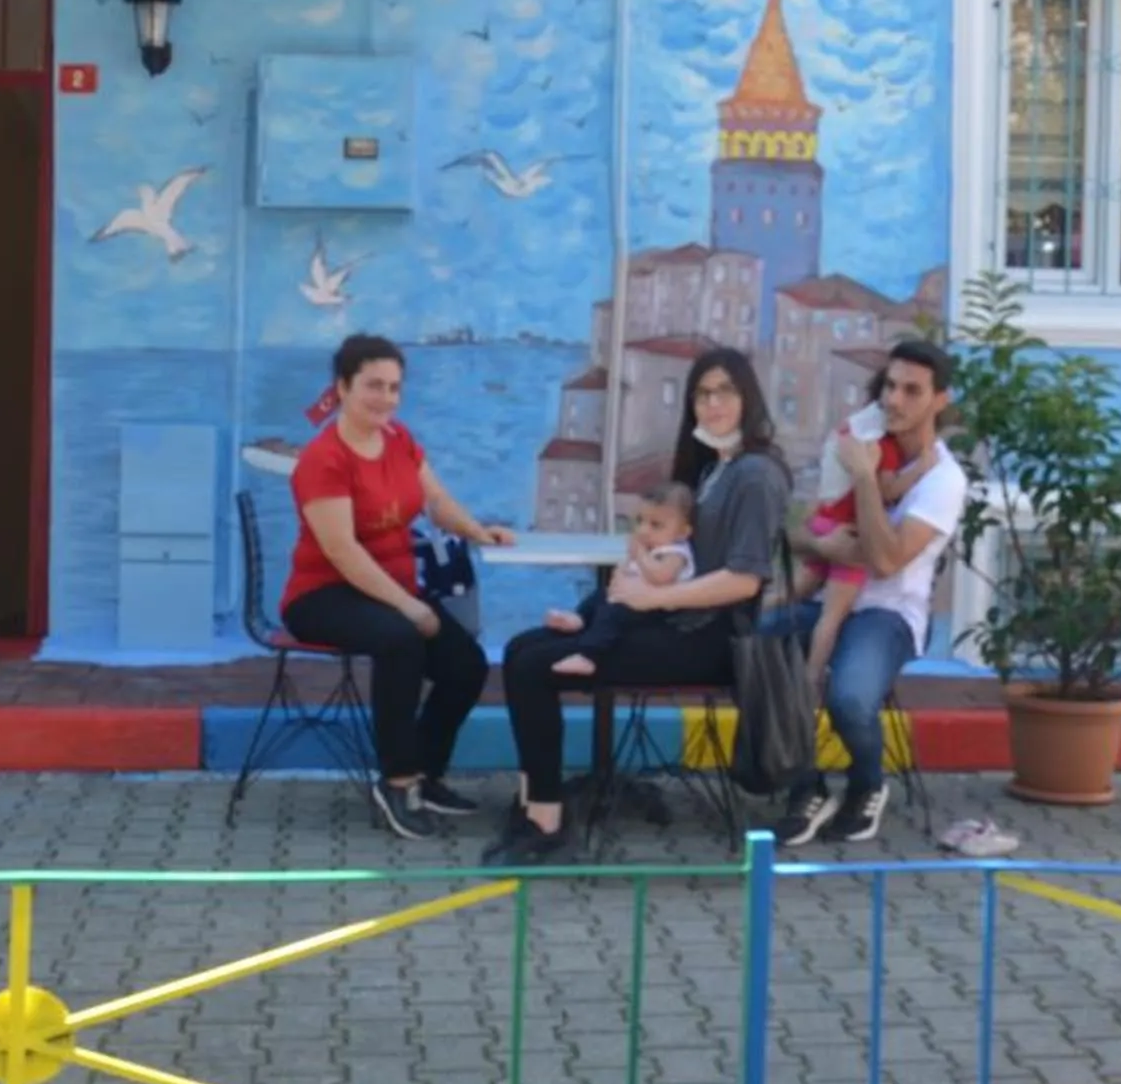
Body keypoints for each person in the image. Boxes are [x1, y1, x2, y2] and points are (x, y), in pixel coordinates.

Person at [487, 348, 790, 866]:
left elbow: (744, 579)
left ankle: (548, 823)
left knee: (538, 665)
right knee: (520, 651)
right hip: (672, 623)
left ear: (748, 397)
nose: (712, 404)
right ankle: (536, 800)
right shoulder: (713, 469)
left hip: (710, 640)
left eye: (725, 392)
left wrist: (654, 596)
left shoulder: (756, 475)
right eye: (702, 394)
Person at [280, 332, 517, 840]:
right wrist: (410, 607)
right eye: (373, 386)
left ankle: (427, 773)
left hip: (391, 587)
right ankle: (396, 781)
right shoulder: (324, 459)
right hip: (323, 594)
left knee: (466, 665)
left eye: (394, 387)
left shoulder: (400, 439)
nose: (385, 398)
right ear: (342, 387)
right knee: (401, 640)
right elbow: (342, 551)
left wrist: (478, 530)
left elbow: (436, 501)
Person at [757, 338, 966, 848]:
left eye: (912, 391)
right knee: (759, 646)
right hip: (829, 594)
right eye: (890, 386)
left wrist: (865, 477)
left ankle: (868, 785)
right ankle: (805, 788)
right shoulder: (865, 438)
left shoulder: (943, 480)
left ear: (940, 400)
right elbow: (802, 529)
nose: (894, 400)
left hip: (889, 614)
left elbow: (887, 560)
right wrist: (824, 541)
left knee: (850, 699)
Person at [793, 383, 939, 637]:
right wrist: (920, 469)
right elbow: (887, 490)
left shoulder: (850, 434)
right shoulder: (882, 446)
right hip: (849, 532)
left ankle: (749, 613)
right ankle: (813, 675)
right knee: (831, 619)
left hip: (825, 520)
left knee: (795, 592)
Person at [547, 482, 697, 677]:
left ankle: (589, 656)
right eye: (639, 521)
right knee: (601, 594)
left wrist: (641, 555)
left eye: (655, 525)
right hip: (635, 599)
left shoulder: (675, 552)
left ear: (682, 532)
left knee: (613, 614)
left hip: (658, 611)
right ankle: (579, 618)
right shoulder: (652, 547)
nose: (644, 530)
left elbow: (662, 577)